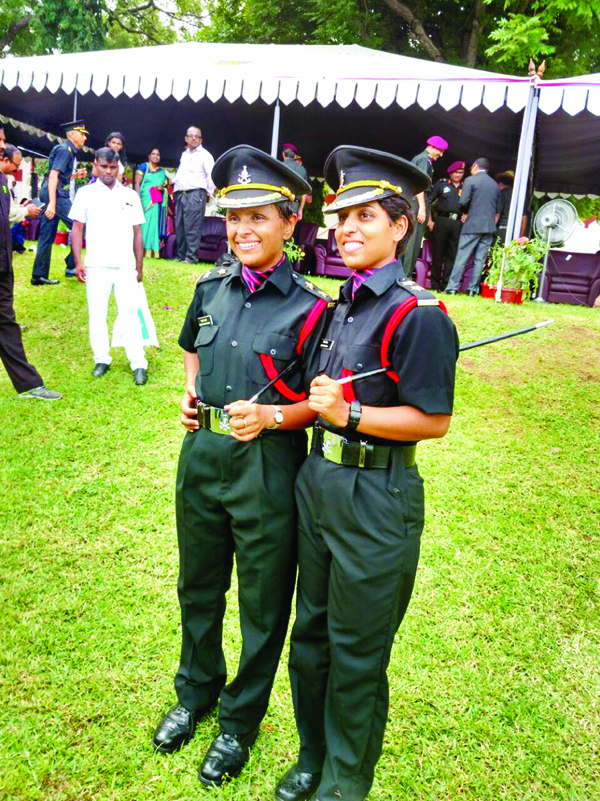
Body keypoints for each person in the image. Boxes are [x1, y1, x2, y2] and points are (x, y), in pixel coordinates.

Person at [275, 146, 458, 801]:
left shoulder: (419, 314)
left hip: (377, 497)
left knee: (356, 652)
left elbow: (432, 420)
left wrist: (350, 414)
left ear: (401, 225)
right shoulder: (338, 306)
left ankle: (344, 782)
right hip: (317, 486)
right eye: (340, 215)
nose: (347, 228)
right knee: (311, 636)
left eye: (365, 215)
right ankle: (312, 756)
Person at [152, 145, 332, 790]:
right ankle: (196, 689)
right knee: (197, 585)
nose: (243, 231)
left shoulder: (315, 308)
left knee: (262, 605)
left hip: (268, 472)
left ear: (290, 224)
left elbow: (323, 403)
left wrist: (273, 419)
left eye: (259, 217)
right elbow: (192, 352)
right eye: (234, 218)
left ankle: (238, 721)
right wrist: (190, 393)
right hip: (201, 459)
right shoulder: (209, 287)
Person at [70, 147, 149, 385]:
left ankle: (138, 363)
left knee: (130, 316)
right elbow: (77, 228)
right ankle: (102, 358)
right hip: (96, 265)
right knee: (97, 314)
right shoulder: (85, 193)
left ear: (119, 168)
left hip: (125, 265)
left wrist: (139, 265)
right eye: (104, 166)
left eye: (113, 167)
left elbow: (137, 232)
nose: (108, 172)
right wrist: (78, 262)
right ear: (96, 165)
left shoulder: (130, 195)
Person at [0, 144, 62, 400]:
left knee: (6, 322)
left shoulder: (3, 180)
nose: (2, 144)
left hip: (3, 263)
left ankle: (28, 384)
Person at [31, 120, 88, 285]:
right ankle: (71, 265)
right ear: (72, 134)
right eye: (82, 134)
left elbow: (60, 175)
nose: (85, 138)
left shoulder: (68, 151)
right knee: (80, 223)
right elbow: (53, 176)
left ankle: (38, 276)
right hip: (54, 193)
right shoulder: (65, 150)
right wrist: (52, 203)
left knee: (46, 235)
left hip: (51, 192)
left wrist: (75, 176)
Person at [445, 157, 501, 296]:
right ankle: (472, 289)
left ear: (475, 166)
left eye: (471, 168)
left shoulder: (470, 181)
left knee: (462, 256)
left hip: (473, 225)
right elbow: (497, 207)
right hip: (488, 227)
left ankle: (452, 287)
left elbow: (463, 202)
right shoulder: (495, 185)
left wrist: (465, 211)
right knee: (480, 260)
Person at [402, 135, 449, 280]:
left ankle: (402, 276)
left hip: (415, 202)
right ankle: (405, 277)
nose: (440, 155)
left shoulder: (424, 159)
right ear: (432, 147)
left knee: (409, 240)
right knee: (413, 242)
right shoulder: (423, 159)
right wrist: (422, 208)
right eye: (440, 151)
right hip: (417, 203)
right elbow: (419, 185)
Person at [173, 126, 215, 263]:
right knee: (180, 226)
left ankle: (191, 258)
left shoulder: (205, 155)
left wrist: (207, 193)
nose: (194, 138)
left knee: (192, 227)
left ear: (201, 139)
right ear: (186, 138)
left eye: (197, 136)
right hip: (181, 194)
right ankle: (181, 256)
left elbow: (211, 176)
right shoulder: (184, 154)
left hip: (196, 193)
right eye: (191, 136)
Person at [429, 160, 466, 290]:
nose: (457, 175)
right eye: (455, 172)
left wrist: (466, 213)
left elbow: (471, 203)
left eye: (460, 172)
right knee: (438, 253)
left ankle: (446, 285)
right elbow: (429, 201)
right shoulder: (442, 184)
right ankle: (435, 284)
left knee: (452, 254)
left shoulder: (465, 186)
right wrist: (430, 220)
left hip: (457, 223)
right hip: (442, 221)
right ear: (450, 173)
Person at [134, 148, 170, 258]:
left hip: (155, 201)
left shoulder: (162, 172)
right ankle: (139, 249)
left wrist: (162, 188)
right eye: (153, 154)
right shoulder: (142, 167)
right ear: (149, 156)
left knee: (153, 224)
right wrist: (138, 200)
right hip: (144, 200)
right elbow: (136, 183)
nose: (155, 156)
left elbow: (165, 186)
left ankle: (151, 251)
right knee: (142, 224)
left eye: (158, 155)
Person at [282, 143, 310, 220]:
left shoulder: (279, 166)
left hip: (279, 205)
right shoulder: (302, 169)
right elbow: (304, 193)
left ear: (283, 154)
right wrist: (300, 210)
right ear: (294, 156)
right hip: (295, 207)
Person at [495, 169, 514, 242]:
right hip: (512, 228)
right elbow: (524, 217)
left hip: (502, 228)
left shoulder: (502, 194)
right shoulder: (516, 195)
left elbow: (497, 214)